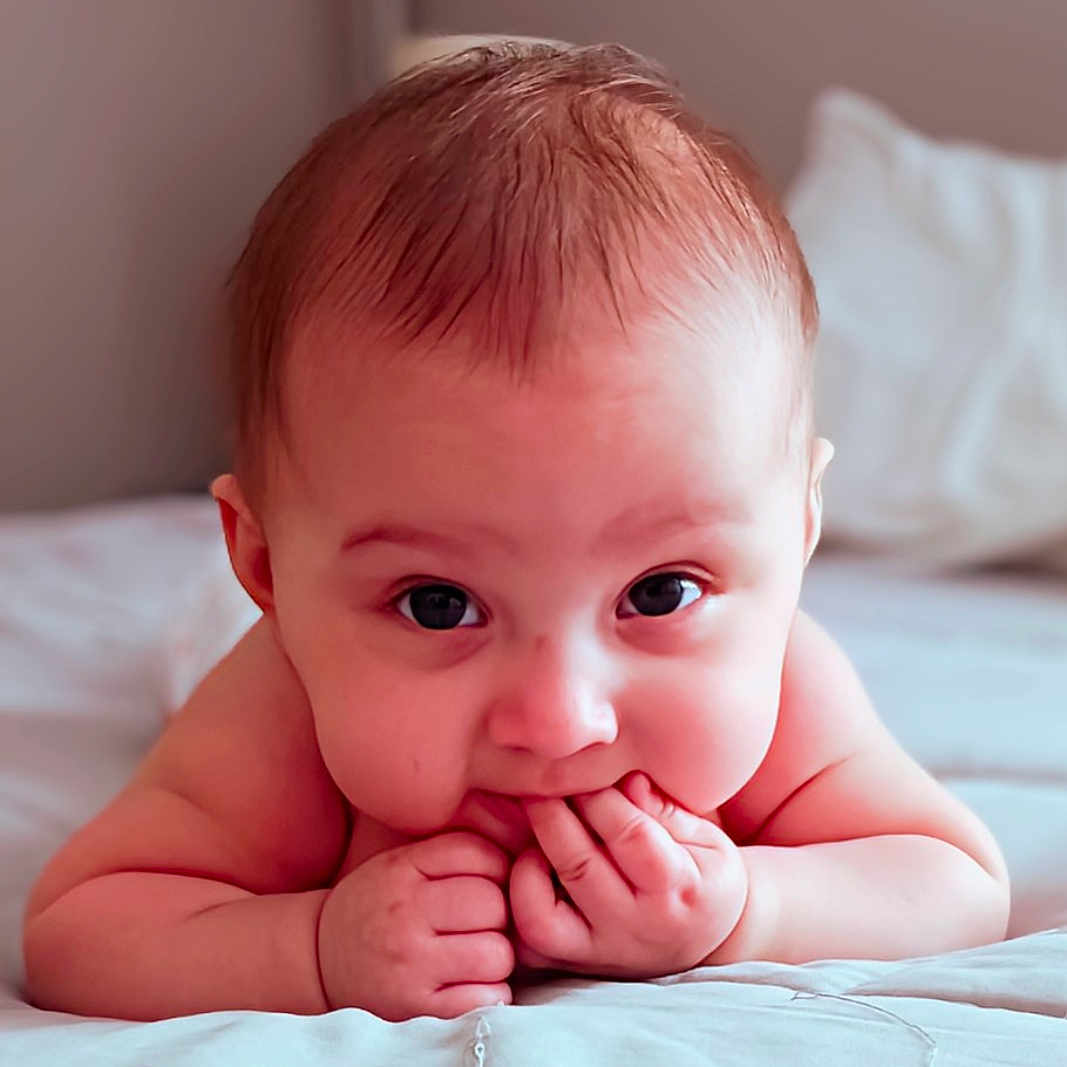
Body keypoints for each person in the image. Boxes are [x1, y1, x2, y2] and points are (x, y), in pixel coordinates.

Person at [22, 41, 1009, 1023]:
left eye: (658, 591)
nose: (558, 718)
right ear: (268, 567)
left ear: (795, 531)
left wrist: (751, 907)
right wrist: (312, 948)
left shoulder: (787, 684)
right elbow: (84, 928)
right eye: (438, 604)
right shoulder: (283, 700)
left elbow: (952, 880)